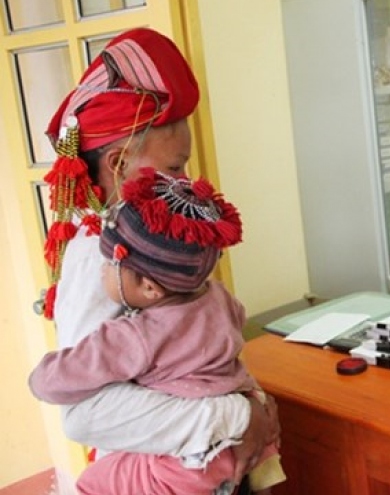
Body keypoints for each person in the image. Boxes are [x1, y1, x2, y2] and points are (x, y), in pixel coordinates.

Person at [38, 27, 277, 488]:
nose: (184, 181)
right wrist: (239, 414)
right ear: (118, 163)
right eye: (174, 167)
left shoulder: (155, 233)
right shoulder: (101, 256)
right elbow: (85, 413)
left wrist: (251, 402)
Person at [30, 169, 286, 494]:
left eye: (109, 264)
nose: (103, 272)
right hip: (245, 439)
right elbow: (238, 319)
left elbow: (58, 378)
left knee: (92, 482)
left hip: (188, 464)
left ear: (149, 287)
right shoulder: (219, 296)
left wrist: (37, 378)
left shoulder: (137, 335)